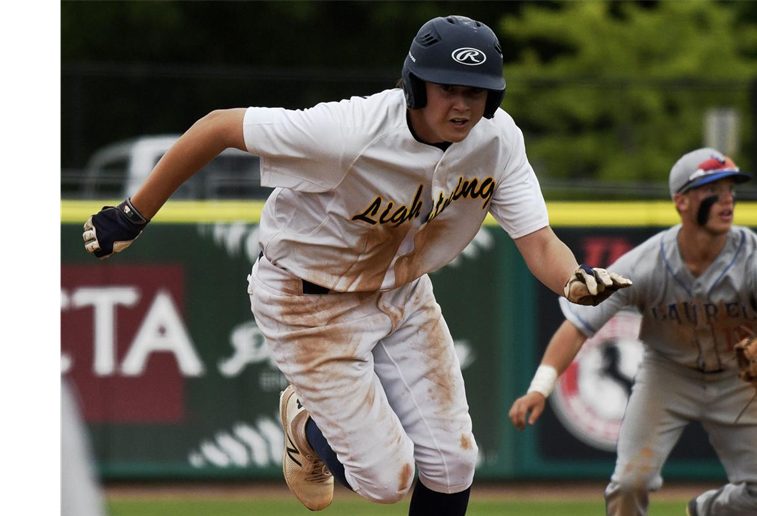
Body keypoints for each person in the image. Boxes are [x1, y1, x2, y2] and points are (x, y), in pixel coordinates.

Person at [82, 15, 630, 515]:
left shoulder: (498, 141)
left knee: (454, 463)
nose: (462, 105)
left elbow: (539, 242)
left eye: (476, 92)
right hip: (306, 301)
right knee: (388, 481)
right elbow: (218, 126)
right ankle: (303, 420)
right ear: (416, 86)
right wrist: (132, 215)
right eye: (448, 88)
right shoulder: (349, 132)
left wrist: (572, 280)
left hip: (402, 293)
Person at [509, 148, 757, 516]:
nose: (727, 199)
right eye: (713, 190)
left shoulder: (754, 256)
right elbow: (578, 325)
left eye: (730, 189)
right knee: (629, 483)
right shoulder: (648, 262)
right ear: (681, 202)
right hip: (668, 375)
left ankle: (706, 511)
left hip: (738, 378)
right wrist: (540, 388)